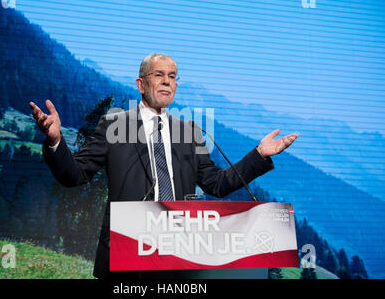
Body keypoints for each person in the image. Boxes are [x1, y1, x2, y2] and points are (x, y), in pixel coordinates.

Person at [30, 53, 298, 279]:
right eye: (159, 75)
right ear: (140, 84)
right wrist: (55, 140)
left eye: (172, 76)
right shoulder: (115, 125)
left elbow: (217, 183)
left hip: (179, 256)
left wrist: (259, 154)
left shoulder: (190, 132)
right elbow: (74, 174)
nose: (167, 81)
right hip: (126, 256)